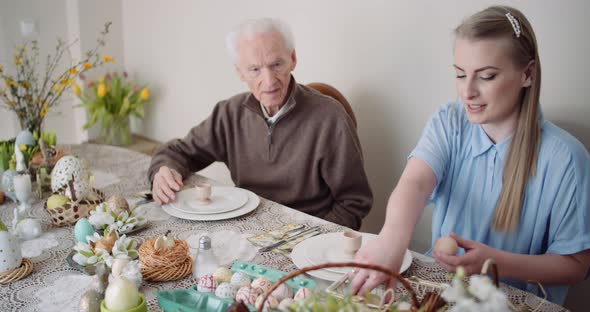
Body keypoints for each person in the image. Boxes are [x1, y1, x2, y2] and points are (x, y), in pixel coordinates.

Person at [351, 5, 590, 304]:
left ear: (527, 73)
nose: (468, 91)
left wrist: (494, 263)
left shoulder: (566, 158)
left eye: (486, 76)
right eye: (461, 74)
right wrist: (392, 239)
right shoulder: (449, 121)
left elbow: (576, 266)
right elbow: (415, 183)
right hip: (441, 293)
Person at [148, 18, 373, 230]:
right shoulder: (229, 113)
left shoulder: (330, 117)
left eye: (276, 64)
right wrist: (163, 171)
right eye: (255, 69)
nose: (269, 81)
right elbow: (177, 152)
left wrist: (313, 239)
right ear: (240, 72)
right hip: (246, 230)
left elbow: (354, 202)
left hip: (308, 236)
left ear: (292, 59)